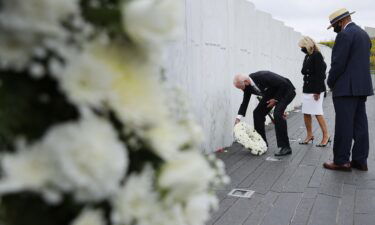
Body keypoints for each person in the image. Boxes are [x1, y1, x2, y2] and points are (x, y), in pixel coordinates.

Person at [323, 9, 373, 171]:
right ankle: (360, 160)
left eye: (334, 26)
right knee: (360, 125)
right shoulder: (364, 35)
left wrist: (330, 82)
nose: (335, 29)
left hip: (345, 89)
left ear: (340, 22)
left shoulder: (344, 35)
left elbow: (338, 64)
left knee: (344, 125)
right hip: (361, 87)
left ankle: (341, 160)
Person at [233, 71, 296, 156]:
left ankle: (285, 147)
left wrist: (276, 99)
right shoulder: (247, 86)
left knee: (277, 114)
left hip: (286, 91)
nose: (242, 89)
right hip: (271, 94)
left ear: (246, 82)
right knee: (257, 113)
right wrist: (238, 119)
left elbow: (283, 84)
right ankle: (262, 143)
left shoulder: (263, 76)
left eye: (241, 87)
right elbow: (245, 102)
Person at [298, 36, 331, 147]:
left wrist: (317, 91)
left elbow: (320, 75)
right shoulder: (308, 56)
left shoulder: (317, 55)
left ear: (307, 45)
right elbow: (303, 71)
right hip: (307, 88)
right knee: (306, 113)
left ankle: (326, 136)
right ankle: (309, 135)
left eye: (302, 46)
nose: (301, 48)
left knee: (317, 113)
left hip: (316, 90)